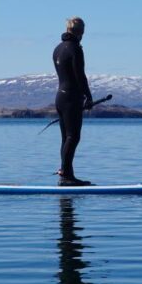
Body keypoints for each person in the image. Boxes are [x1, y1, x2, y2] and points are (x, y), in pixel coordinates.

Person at [53, 17, 94, 186]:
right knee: (73, 137)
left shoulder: (57, 48)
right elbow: (80, 76)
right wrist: (88, 97)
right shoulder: (75, 49)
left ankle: (66, 174)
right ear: (80, 32)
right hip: (71, 98)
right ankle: (67, 176)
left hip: (60, 98)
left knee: (66, 138)